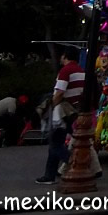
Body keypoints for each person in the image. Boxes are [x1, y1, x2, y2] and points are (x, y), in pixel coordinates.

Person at [36, 47, 86, 185]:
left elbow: (59, 93)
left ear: (65, 56)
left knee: (55, 143)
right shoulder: (82, 72)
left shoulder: (65, 71)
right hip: (74, 110)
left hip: (62, 111)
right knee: (56, 141)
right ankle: (49, 175)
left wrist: (50, 106)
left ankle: (74, 164)